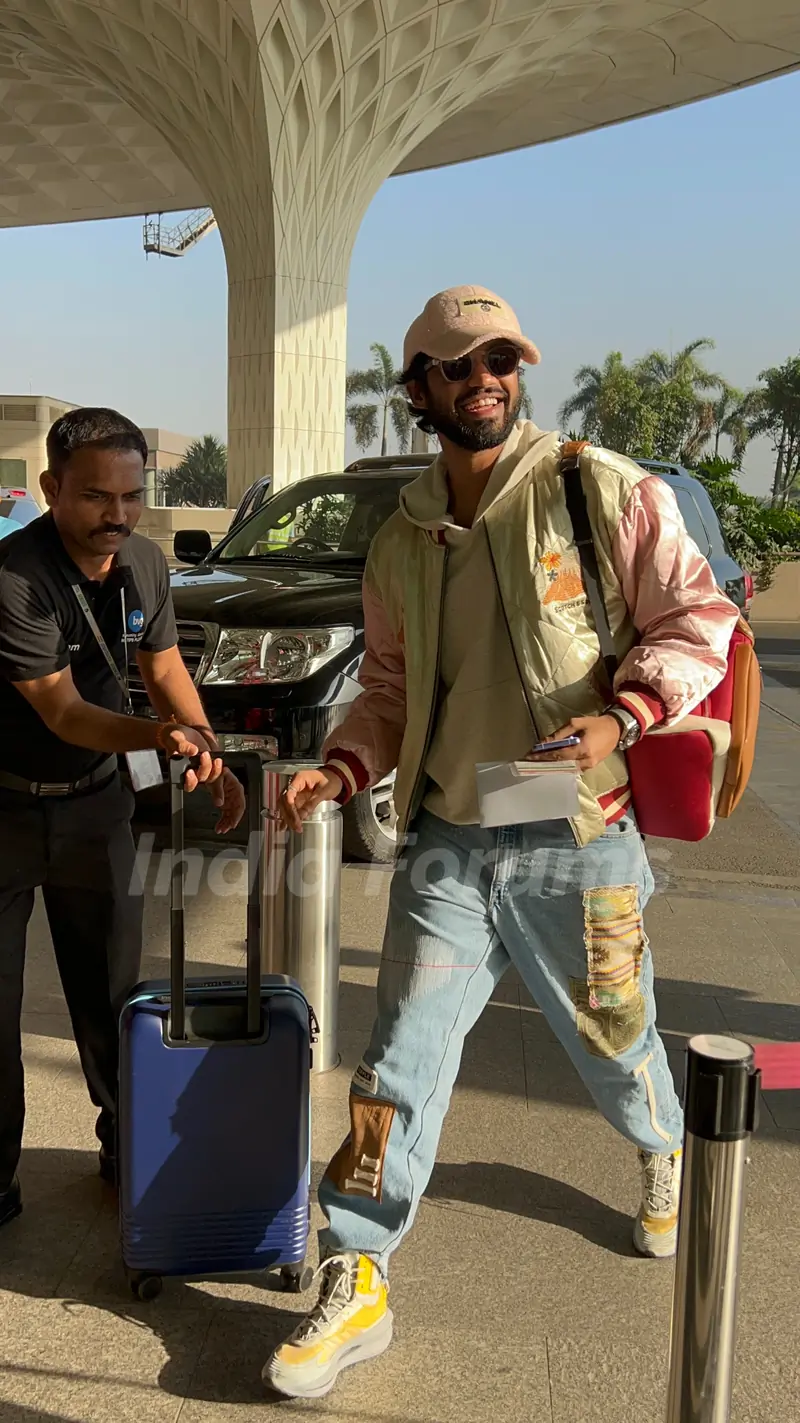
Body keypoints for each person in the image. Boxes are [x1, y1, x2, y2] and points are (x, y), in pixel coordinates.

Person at [261, 286, 741, 1400]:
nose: (484, 378)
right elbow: (383, 688)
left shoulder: (593, 486)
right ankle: (359, 1265)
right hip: (447, 827)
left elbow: (697, 618)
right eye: (457, 363)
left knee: (614, 1035)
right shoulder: (400, 539)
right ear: (418, 388)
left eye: (500, 360)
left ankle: (663, 1147)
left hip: (568, 821)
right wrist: (341, 764)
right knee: (396, 1062)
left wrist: (622, 713)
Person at [0, 407, 245, 1228]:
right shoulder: (14, 578)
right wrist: (160, 735)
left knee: (112, 994)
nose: (118, 514)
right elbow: (64, 714)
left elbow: (163, 661)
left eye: (133, 495)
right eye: (97, 497)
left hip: (95, 808)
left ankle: (123, 1149)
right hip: (4, 808)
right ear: (51, 489)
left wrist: (205, 745)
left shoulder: (142, 563)